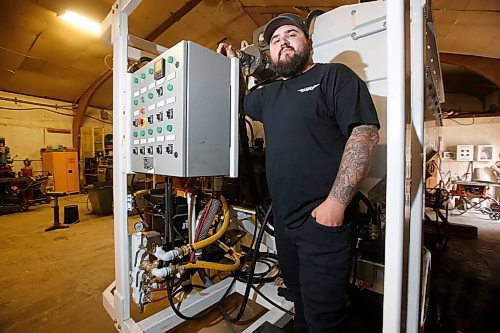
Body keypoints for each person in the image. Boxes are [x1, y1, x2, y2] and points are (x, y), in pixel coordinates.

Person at [218, 13, 380, 333]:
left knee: (324, 319)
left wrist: (335, 204)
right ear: (271, 54)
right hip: (285, 224)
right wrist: (232, 65)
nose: (283, 42)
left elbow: (364, 133)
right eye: (275, 40)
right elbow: (235, 103)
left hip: (322, 223)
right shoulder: (268, 96)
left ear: (309, 44)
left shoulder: (334, 77)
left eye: (292, 34)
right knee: (300, 302)